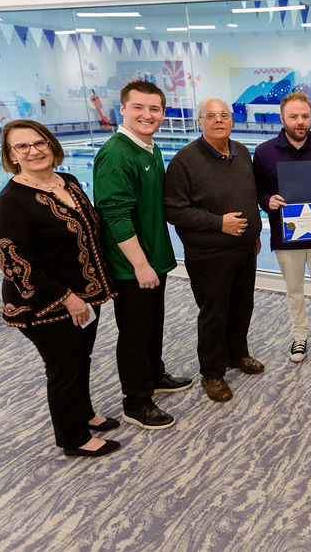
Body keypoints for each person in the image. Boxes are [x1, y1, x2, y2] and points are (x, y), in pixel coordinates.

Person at [0, 120, 120, 457]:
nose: (33, 151)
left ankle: (85, 414)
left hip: (86, 297)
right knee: (63, 368)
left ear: (51, 144)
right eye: (22, 146)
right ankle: (74, 438)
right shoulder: (12, 202)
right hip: (46, 305)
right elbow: (15, 266)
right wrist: (67, 298)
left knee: (81, 358)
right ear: (11, 155)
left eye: (39, 142)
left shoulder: (70, 183)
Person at [94, 80, 192, 431]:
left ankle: (153, 374)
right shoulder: (116, 153)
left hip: (153, 259)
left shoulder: (149, 148)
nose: (147, 115)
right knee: (134, 333)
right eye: (139, 107)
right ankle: (136, 401)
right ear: (123, 109)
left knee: (153, 325)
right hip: (132, 266)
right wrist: (139, 263)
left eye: (154, 109)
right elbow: (114, 215)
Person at [164, 98, 265, 403]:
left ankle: (238, 354)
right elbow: (174, 210)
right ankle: (212, 373)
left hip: (245, 248)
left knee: (242, 306)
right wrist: (218, 223)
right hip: (209, 254)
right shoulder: (185, 160)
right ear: (200, 122)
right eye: (212, 116)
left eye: (224, 115)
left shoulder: (242, 152)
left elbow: (248, 195)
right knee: (215, 313)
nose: (219, 120)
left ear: (232, 120)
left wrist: (255, 234)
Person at [253, 91, 311, 366]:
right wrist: (269, 200)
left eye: (305, 116)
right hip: (285, 235)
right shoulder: (264, 152)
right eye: (294, 116)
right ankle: (299, 335)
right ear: (282, 118)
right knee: (294, 290)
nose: (300, 122)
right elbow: (257, 191)